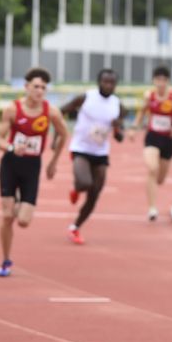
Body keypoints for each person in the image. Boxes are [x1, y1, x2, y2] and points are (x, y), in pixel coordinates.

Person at [0, 67, 68, 276]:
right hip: (10, 164)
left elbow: (63, 134)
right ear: (26, 87)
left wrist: (53, 162)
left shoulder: (51, 111)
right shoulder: (13, 109)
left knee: (24, 221)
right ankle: (6, 260)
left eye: (43, 87)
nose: (40, 90)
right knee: (7, 216)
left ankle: (17, 205)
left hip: (32, 167)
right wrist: (10, 147)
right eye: (36, 86)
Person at [59, 68, 125, 244]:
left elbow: (120, 137)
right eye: (105, 81)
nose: (109, 85)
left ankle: (75, 228)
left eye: (112, 82)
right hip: (81, 148)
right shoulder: (86, 97)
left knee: (95, 193)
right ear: (99, 82)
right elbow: (61, 111)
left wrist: (118, 127)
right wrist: (58, 134)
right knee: (84, 183)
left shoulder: (118, 104)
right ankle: (76, 189)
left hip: (101, 153)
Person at [131, 66, 172, 221]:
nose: (160, 83)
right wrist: (133, 128)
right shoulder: (149, 96)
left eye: (163, 80)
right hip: (152, 137)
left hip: (168, 139)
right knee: (152, 168)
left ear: (167, 81)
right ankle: (152, 208)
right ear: (153, 81)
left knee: (160, 179)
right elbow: (142, 112)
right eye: (158, 80)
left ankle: (155, 189)